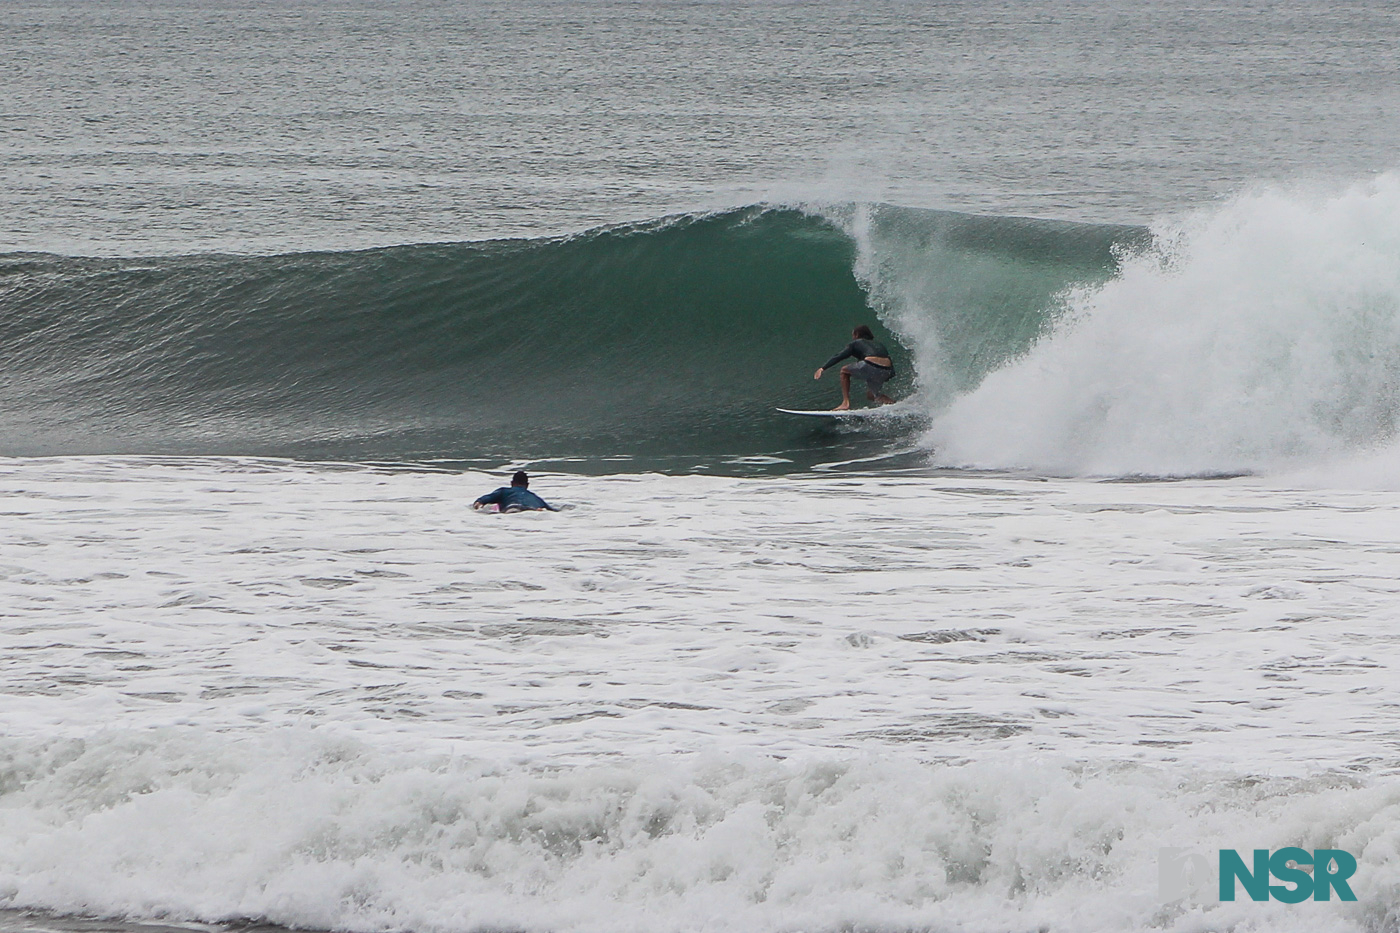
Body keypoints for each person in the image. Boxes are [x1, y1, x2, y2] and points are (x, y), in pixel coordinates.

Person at [813, 324, 896, 410]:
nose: (853, 337)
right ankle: (893, 404)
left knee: (844, 371)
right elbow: (888, 360)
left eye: (853, 335)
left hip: (871, 365)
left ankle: (845, 403)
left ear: (857, 335)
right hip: (886, 370)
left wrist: (823, 368)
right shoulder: (879, 344)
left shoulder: (856, 342)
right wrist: (889, 374)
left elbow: (840, 355)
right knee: (871, 395)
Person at [472, 471, 559, 512]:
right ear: (527, 485)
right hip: (532, 509)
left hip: (513, 507)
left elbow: (488, 498)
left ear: (512, 483)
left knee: (512, 511)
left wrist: (479, 502)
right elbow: (552, 510)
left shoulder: (504, 491)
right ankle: (537, 510)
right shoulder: (536, 497)